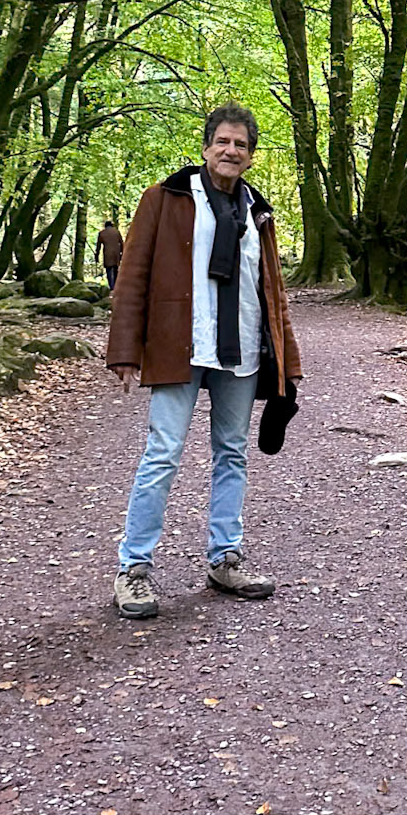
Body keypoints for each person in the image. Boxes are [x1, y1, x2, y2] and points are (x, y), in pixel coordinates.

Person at [105, 105, 302, 620]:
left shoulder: (259, 209)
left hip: (240, 349)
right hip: (180, 345)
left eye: (240, 145)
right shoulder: (165, 199)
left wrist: (288, 358)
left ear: (250, 156)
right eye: (223, 141)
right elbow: (132, 276)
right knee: (163, 452)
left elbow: (272, 291)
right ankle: (134, 568)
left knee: (232, 452)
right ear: (206, 146)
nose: (230, 151)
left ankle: (224, 558)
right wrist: (124, 350)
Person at [95, 213, 124, 291]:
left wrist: (96, 256)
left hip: (107, 253)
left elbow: (98, 246)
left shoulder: (102, 233)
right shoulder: (116, 232)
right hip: (116, 254)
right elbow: (121, 243)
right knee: (115, 269)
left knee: (108, 270)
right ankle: (116, 286)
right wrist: (122, 253)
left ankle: (111, 287)